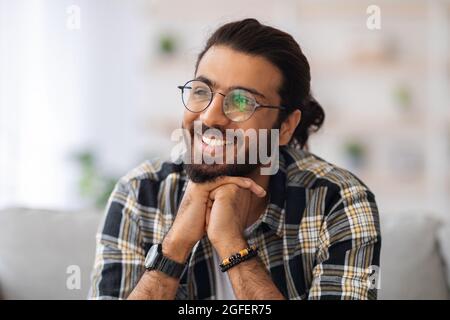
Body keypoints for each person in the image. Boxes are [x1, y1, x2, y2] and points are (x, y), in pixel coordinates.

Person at [89, 18, 381, 300]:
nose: (209, 116)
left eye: (242, 101)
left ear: (285, 127)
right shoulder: (140, 192)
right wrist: (175, 246)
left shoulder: (339, 200)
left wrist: (231, 245)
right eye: (202, 91)